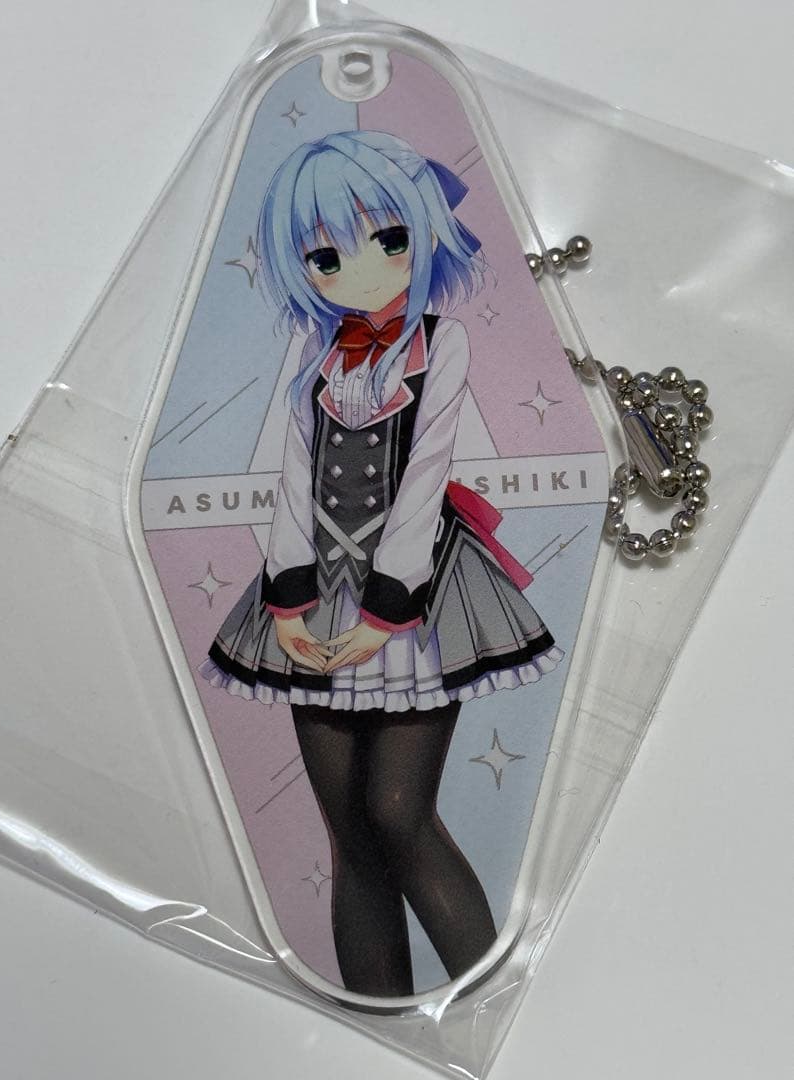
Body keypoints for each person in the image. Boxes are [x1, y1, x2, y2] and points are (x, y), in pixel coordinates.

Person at [200, 130, 564, 996]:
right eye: (326, 257)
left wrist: (383, 613)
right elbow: (293, 482)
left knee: (398, 813)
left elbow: (424, 479)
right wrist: (288, 604)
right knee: (351, 836)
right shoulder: (315, 354)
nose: (360, 273)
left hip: (418, 587)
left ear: (423, 233)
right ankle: (374, 1017)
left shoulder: (445, 343)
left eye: (389, 240)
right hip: (316, 586)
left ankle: (490, 1003)